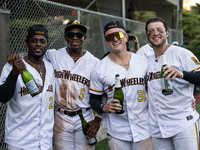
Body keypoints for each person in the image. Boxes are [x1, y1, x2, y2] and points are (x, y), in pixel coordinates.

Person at [89, 21, 152, 150]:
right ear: (106, 42)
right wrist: (104, 107)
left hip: (145, 127)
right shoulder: (100, 68)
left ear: (126, 37)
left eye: (118, 35)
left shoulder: (144, 62)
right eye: (110, 37)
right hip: (117, 131)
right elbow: (94, 100)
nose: (115, 39)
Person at [44, 20, 101, 150]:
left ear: (84, 38)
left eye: (79, 35)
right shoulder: (54, 55)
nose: (75, 38)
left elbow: (102, 92)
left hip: (85, 116)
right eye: (70, 34)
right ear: (65, 37)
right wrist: (17, 57)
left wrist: (97, 119)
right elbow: (34, 55)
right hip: (61, 117)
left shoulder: (95, 63)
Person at [145, 17, 199, 150]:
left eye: (159, 30)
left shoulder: (181, 53)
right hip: (157, 127)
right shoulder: (147, 61)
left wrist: (182, 74)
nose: (155, 33)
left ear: (167, 33)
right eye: (151, 31)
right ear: (147, 36)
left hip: (182, 122)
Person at [0, 24, 55, 149]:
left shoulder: (51, 67)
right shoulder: (12, 66)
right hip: (19, 141)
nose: (38, 44)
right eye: (33, 41)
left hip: (45, 141)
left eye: (42, 41)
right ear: (27, 43)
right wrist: (14, 73)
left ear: (47, 45)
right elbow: (3, 97)